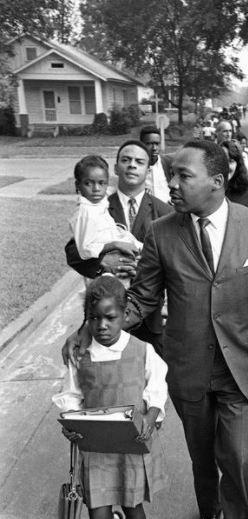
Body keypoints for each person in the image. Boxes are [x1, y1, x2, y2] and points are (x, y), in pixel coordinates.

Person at [63, 140, 248, 519]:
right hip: (188, 365)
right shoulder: (162, 232)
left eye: (182, 176)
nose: (171, 183)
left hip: (240, 365)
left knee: (238, 457)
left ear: (217, 180)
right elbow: (143, 298)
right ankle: (207, 508)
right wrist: (91, 327)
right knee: (202, 456)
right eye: (171, 175)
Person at [53, 275, 169, 519]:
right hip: (98, 446)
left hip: (132, 443)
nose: (102, 325)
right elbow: (70, 398)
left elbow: (157, 389)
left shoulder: (143, 351)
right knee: (98, 512)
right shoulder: (82, 356)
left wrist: (152, 413)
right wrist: (72, 426)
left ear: (124, 314)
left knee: (134, 506)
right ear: (86, 319)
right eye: (94, 318)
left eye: (110, 317)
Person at [65, 140, 172, 354]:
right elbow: (74, 252)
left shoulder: (165, 212)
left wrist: (143, 269)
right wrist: (103, 263)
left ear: (148, 170)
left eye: (139, 161)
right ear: (116, 168)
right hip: (105, 317)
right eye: (126, 160)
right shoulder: (97, 206)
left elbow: (173, 261)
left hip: (151, 318)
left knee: (155, 380)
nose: (132, 165)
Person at [69, 155, 142, 287]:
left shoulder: (100, 204)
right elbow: (84, 250)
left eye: (102, 183)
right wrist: (116, 244)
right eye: (88, 183)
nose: (96, 189)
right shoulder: (85, 212)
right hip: (105, 276)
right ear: (78, 185)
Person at [219, 139, 248, 212]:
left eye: (231, 161)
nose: (227, 166)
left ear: (238, 165)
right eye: (223, 161)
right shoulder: (205, 191)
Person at [139, 126, 174, 204]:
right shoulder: (136, 167)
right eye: (149, 144)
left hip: (167, 211)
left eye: (157, 144)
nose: (154, 148)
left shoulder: (168, 163)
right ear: (141, 144)